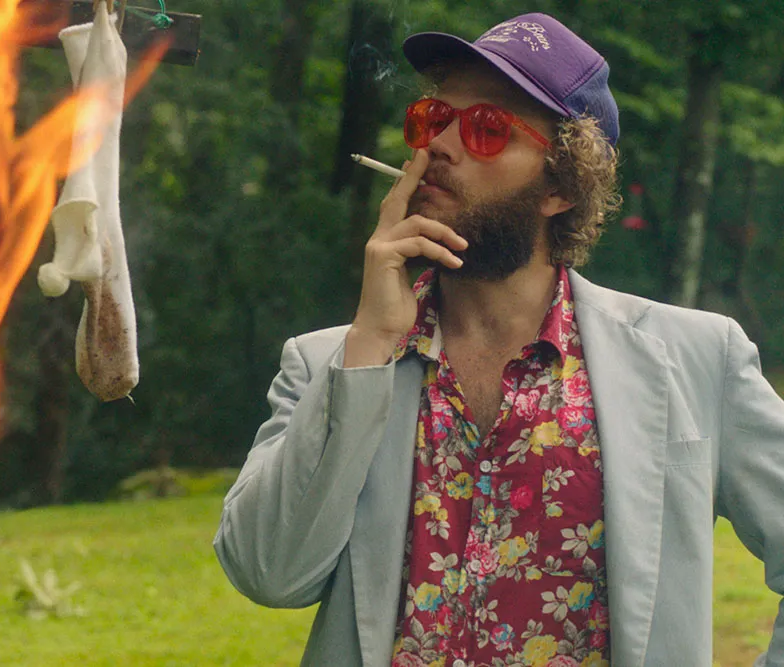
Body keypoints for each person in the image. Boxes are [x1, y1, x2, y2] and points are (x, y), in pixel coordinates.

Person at [214, 12, 784, 667]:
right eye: (433, 119)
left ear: (562, 186)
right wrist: (369, 341)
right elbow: (267, 572)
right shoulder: (328, 365)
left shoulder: (696, 360)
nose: (440, 148)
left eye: (487, 129)